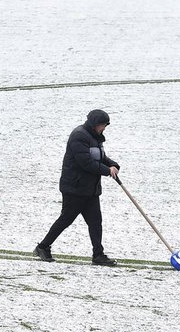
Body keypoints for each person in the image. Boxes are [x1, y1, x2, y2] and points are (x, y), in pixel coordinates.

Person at [35, 109, 120, 266]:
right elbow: (86, 162)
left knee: (95, 222)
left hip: (90, 189)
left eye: (105, 126)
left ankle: (98, 255)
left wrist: (112, 164)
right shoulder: (78, 136)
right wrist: (107, 171)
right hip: (75, 188)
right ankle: (42, 247)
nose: (104, 129)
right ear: (94, 124)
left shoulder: (96, 138)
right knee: (66, 219)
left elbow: (100, 157)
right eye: (102, 125)